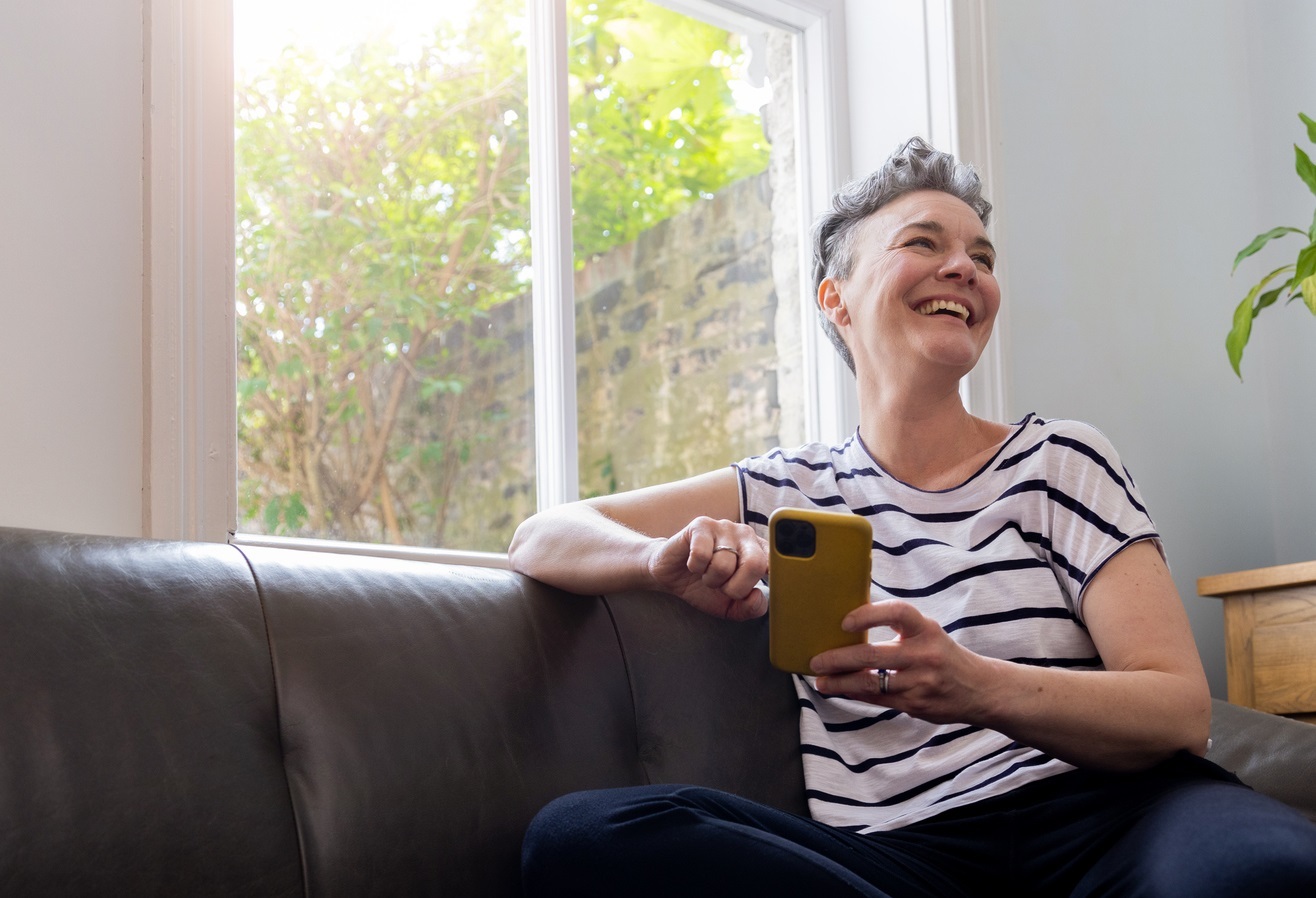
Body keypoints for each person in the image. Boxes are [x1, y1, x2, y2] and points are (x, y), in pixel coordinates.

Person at [508, 137, 1316, 897]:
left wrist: (975, 687)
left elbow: (1178, 709)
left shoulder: (1061, 460)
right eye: (925, 243)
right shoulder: (787, 487)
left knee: (1265, 875)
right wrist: (662, 561)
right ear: (837, 300)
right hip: (904, 856)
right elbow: (541, 536)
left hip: (1117, 816)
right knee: (583, 834)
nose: (964, 268)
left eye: (982, 256)